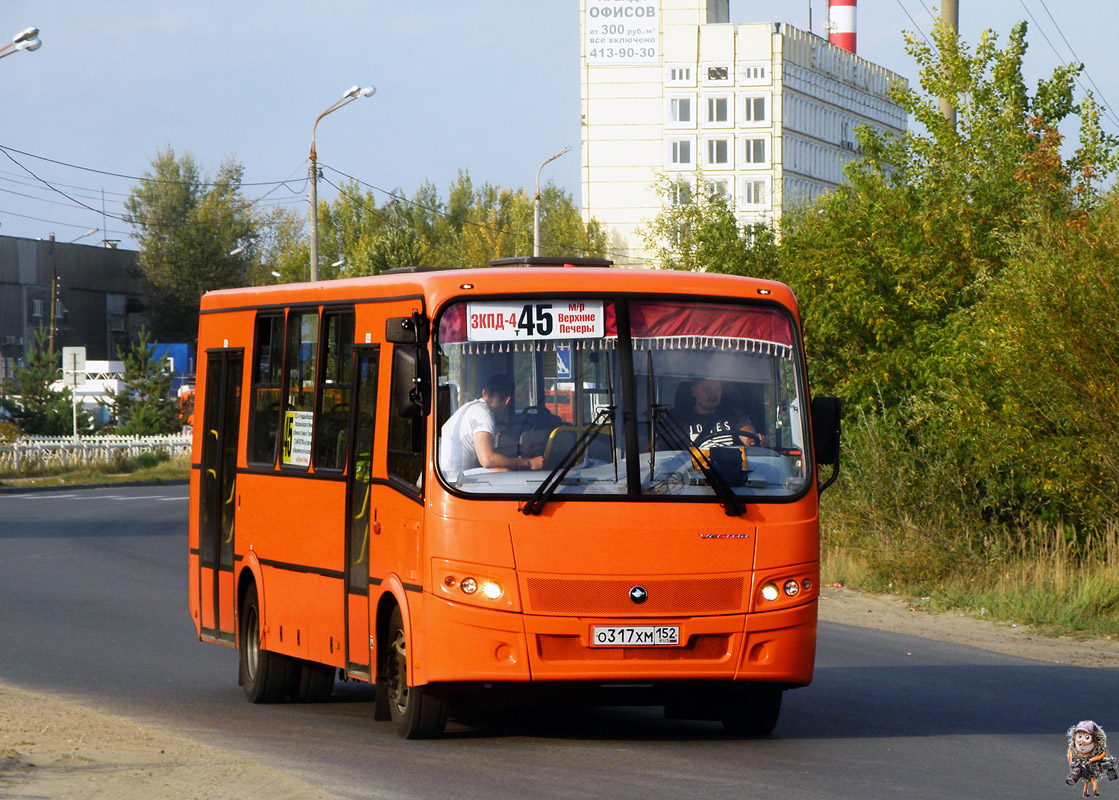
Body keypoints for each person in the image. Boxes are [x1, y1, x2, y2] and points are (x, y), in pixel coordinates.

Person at [439, 373, 545, 477]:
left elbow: (486, 451)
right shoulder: (483, 413)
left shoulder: (472, 408)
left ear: (484, 391)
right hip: (452, 478)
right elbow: (488, 459)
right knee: (504, 473)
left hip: (446, 474)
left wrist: (520, 448)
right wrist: (529, 463)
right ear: (507, 400)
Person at [673, 378, 763, 447]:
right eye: (707, 389)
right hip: (693, 470)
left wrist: (753, 440)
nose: (713, 394)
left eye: (717, 389)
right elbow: (660, 448)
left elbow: (747, 433)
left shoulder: (732, 415)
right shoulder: (679, 420)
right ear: (694, 391)